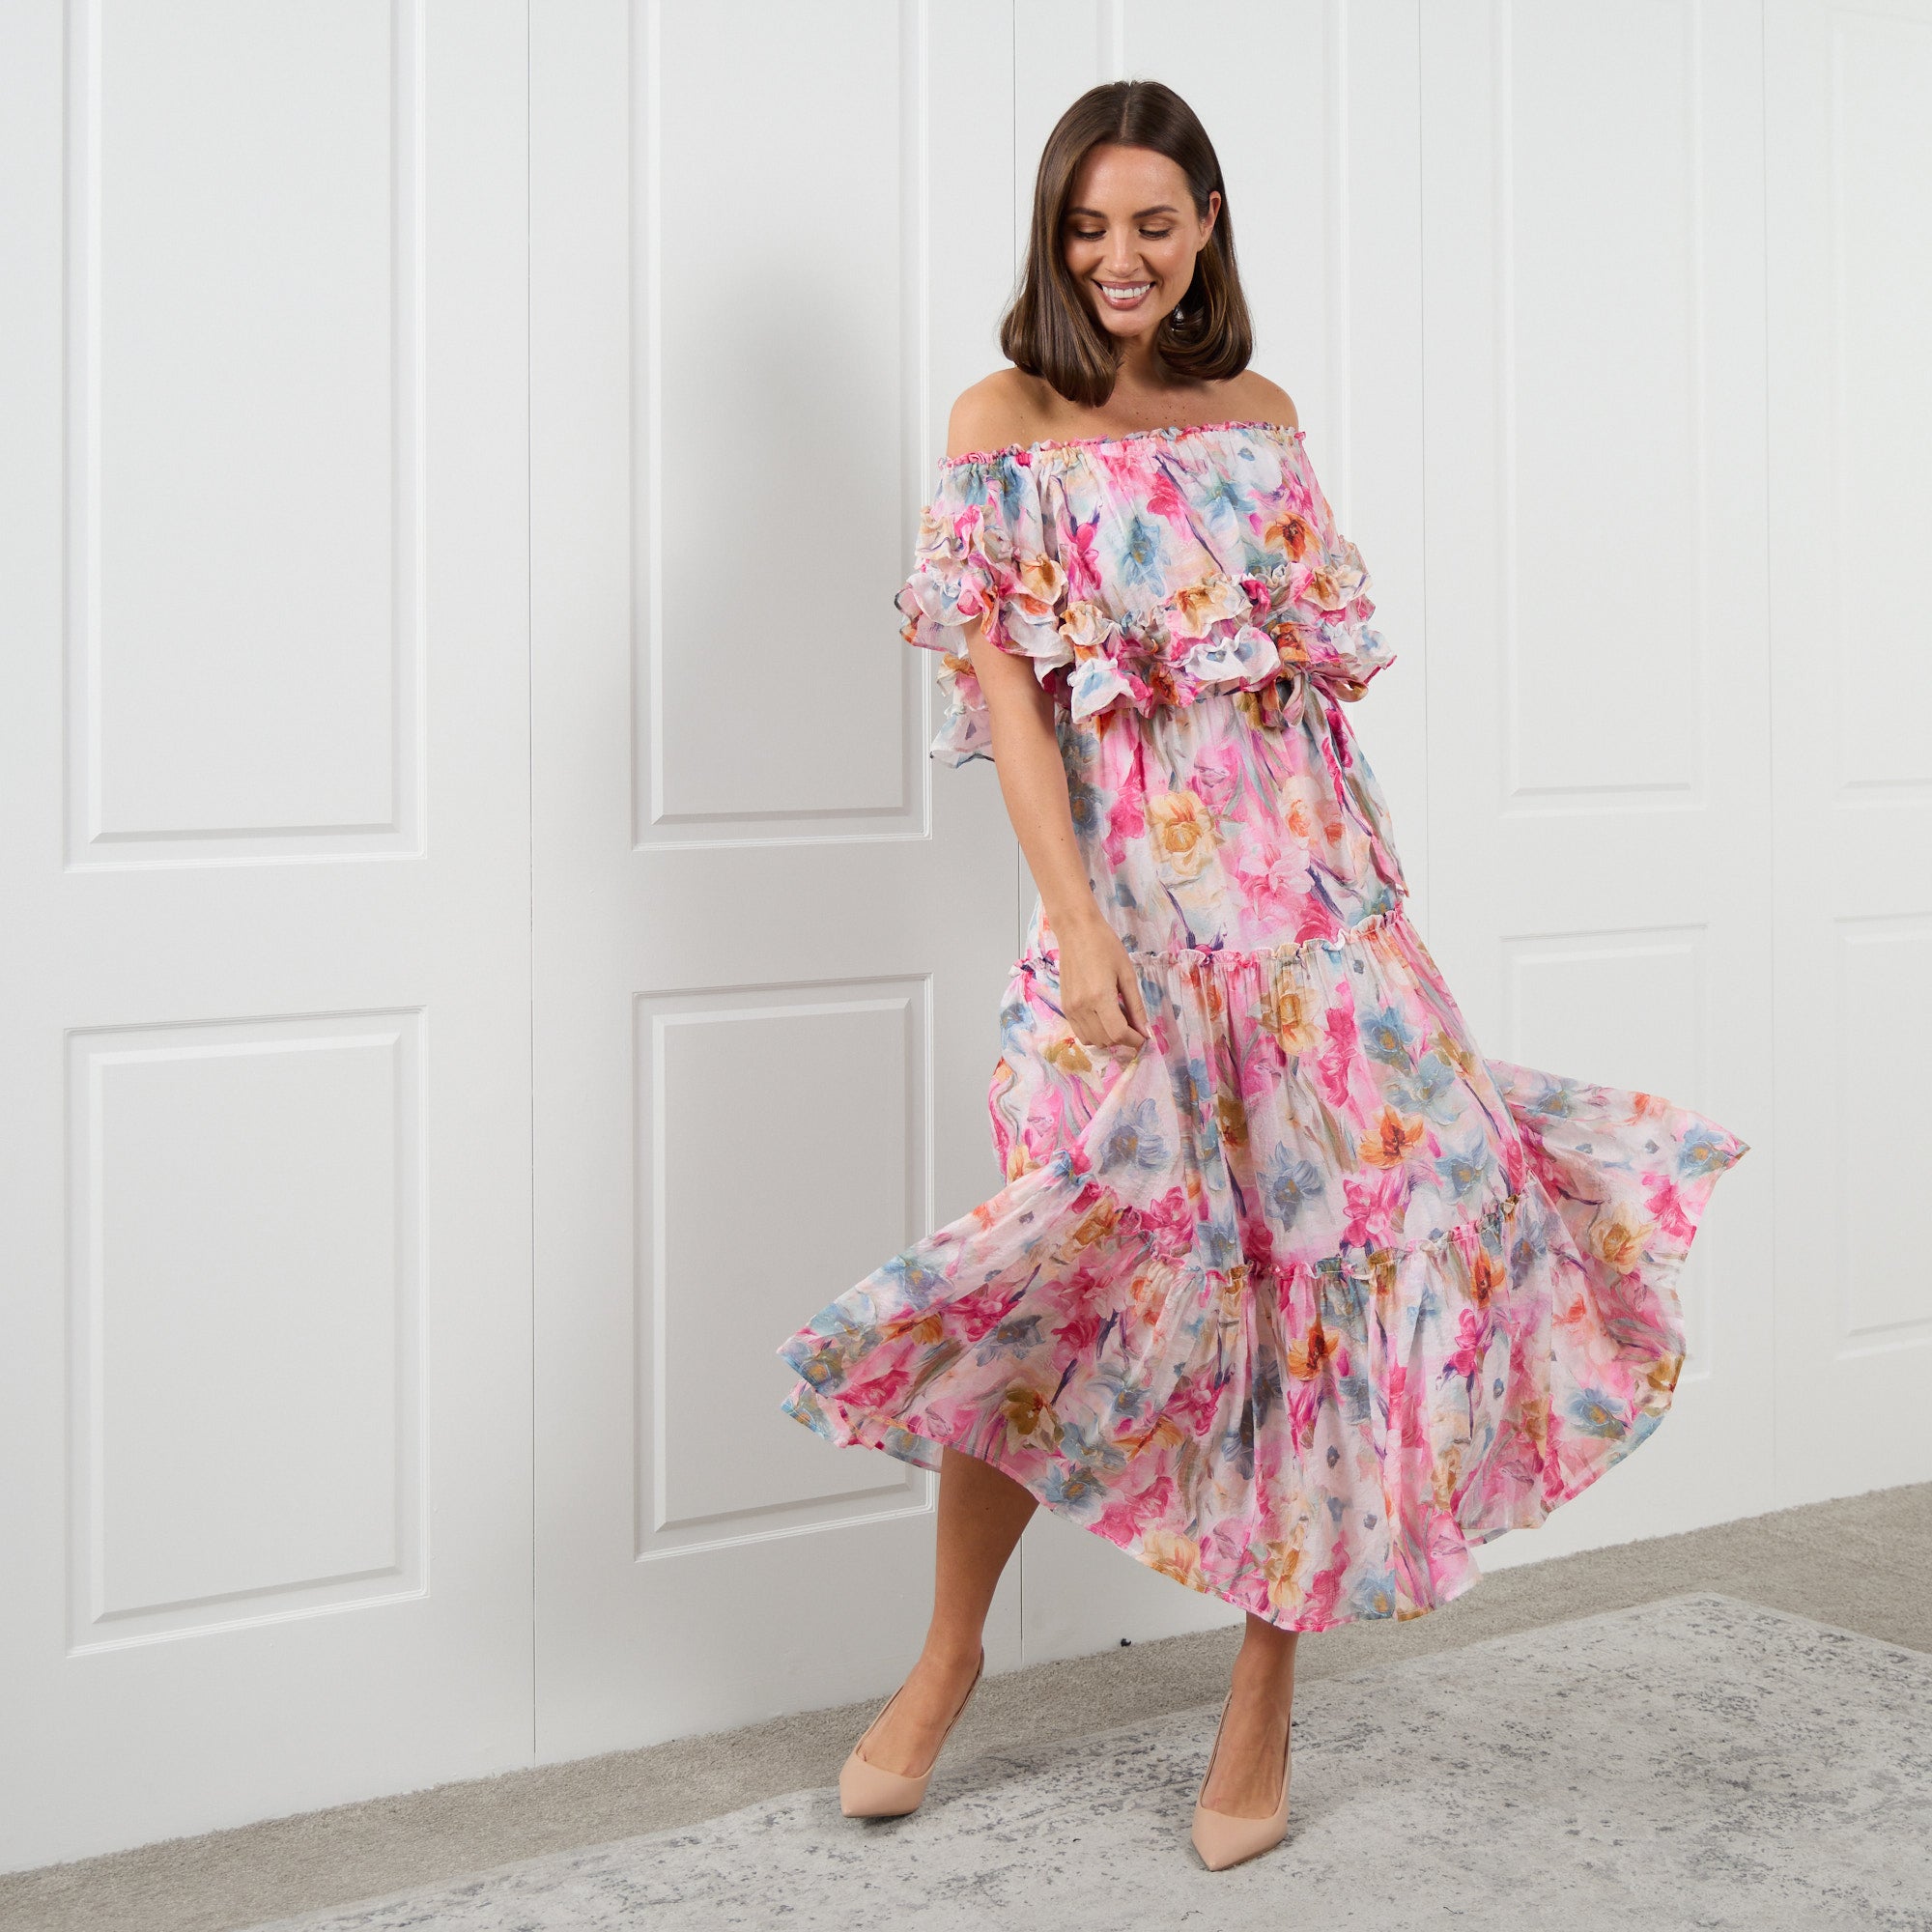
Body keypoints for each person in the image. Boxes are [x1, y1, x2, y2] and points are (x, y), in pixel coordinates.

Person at [777, 78, 1748, 1871]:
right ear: (1053, 236)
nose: (1119, 258)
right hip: (1130, 928)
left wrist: (1366, 924)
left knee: (1325, 1293)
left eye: (1153, 223)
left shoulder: (1263, 419)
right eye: (1088, 227)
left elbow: (1298, 701)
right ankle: (947, 1656)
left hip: (1317, 924)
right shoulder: (1000, 424)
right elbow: (1009, 702)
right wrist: (1076, 925)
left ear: (1207, 224)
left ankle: (1263, 1693)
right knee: (1053, 1277)